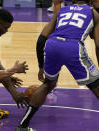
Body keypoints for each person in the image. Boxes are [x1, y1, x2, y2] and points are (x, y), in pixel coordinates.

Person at [15, 0, 99, 130]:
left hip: (52, 45)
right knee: (96, 85)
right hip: (73, 47)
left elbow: (41, 39)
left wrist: (41, 66)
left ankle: (22, 126)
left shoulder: (62, 11)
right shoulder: (94, 13)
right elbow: (98, 45)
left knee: (48, 84)